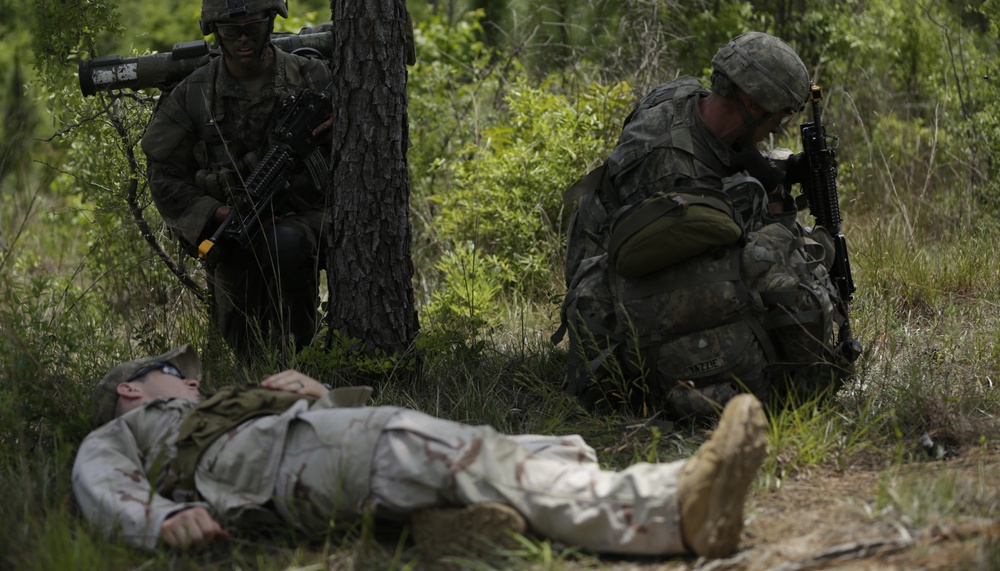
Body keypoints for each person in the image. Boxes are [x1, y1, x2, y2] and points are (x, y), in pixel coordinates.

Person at [73, 343, 769, 559]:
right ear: (132, 392)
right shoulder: (132, 427)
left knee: (550, 445)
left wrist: (316, 391)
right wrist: (159, 518)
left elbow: (323, 431)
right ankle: (672, 506)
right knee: (422, 443)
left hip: (305, 451)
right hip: (269, 464)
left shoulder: (209, 404)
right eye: (172, 372)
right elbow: (98, 478)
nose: (189, 378)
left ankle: (447, 531)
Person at [560, 31, 859, 420]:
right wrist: (792, 231)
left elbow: (720, 160)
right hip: (611, 276)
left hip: (649, 228)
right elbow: (716, 252)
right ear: (751, 102)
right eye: (776, 117)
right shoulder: (672, 168)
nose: (774, 130)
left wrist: (777, 169)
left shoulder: (687, 98)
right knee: (776, 270)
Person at [141, 0, 333, 363]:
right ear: (214, 32)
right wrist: (217, 212)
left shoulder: (311, 77)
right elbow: (164, 175)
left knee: (287, 244)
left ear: (271, 21)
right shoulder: (193, 94)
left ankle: (308, 356)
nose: (242, 39)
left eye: (252, 27)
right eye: (230, 30)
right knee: (245, 352)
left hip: (308, 217)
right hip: (236, 228)